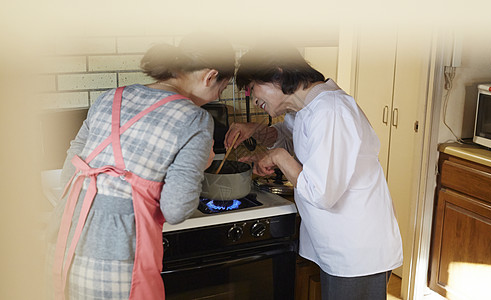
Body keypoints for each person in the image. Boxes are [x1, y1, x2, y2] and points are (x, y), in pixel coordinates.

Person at [46, 32, 235, 300]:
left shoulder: (110, 97)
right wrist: (199, 166)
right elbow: (176, 209)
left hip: (67, 244)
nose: (217, 95)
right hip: (118, 259)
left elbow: (71, 170)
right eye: (222, 87)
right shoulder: (194, 119)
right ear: (210, 75)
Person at [225, 44, 402, 299]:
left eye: (253, 90)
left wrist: (277, 156)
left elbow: (321, 192)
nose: (253, 101)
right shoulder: (310, 106)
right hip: (340, 245)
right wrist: (257, 130)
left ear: (278, 74)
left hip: (356, 250)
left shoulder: (330, 109)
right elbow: (291, 136)